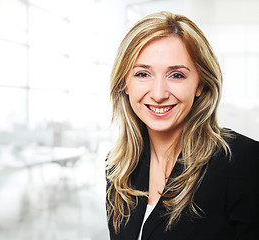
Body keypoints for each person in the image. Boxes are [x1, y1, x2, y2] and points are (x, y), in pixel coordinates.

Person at [105, 10, 259, 240]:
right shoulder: (118, 168)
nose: (158, 94)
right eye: (143, 74)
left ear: (200, 85)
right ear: (125, 83)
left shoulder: (244, 161)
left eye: (176, 75)